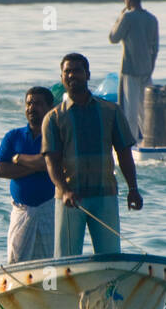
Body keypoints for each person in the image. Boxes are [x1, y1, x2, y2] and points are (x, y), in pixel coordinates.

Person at [41, 53, 143, 257]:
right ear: (62, 78)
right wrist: (65, 190)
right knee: (66, 261)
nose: (72, 75)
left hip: (104, 195)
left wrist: (133, 189)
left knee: (110, 257)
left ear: (87, 74)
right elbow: (51, 162)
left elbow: (124, 153)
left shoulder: (110, 111)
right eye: (67, 72)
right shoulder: (53, 118)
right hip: (70, 199)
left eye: (77, 70)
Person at [0, 87, 56, 262]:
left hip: (50, 209)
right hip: (21, 210)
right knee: (16, 264)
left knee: (49, 264)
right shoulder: (14, 136)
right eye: (28, 103)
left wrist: (19, 159)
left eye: (37, 103)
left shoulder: (56, 134)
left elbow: (55, 163)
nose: (31, 108)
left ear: (50, 107)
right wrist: (39, 165)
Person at [107, 0, 159, 142]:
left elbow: (113, 38)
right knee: (146, 110)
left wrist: (119, 18)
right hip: (147, 70)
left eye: (125, 0)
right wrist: (151, 67)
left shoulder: (127, 17)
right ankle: (149, 141)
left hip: (130, 70)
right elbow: (155, 48)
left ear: (129, 0)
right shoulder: (152, 19)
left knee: (130, 111)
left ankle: (132, 143)